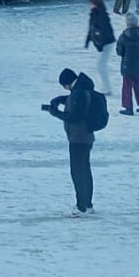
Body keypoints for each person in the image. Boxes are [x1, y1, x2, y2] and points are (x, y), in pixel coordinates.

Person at [44, 68, 104, 215]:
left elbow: (74, 117)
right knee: (84, 170)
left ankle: (81, 207)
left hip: (79, 137)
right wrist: (62, 99)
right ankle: (87, 204)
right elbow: (77, 102)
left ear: (67, 83)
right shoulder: (82, 88)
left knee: (78, 172)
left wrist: (55, 112)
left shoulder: (79, 92)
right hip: (85, 136)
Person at [117, 15, 139, 115]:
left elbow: (119, 51)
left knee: (127, 88)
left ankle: (128, 107)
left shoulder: (124, 36)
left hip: (127, 66)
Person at [83, 0, 115, 91]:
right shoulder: (93, 14)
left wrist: (101, 44)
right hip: (101, 42)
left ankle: (107, 88)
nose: (89, 5)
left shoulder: (101, 15)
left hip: (107, 42)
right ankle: (106, 87)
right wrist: (87, 41)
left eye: (91, 3)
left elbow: (104, 30)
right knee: (101, 65)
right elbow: (91, 29)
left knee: (101, 65)